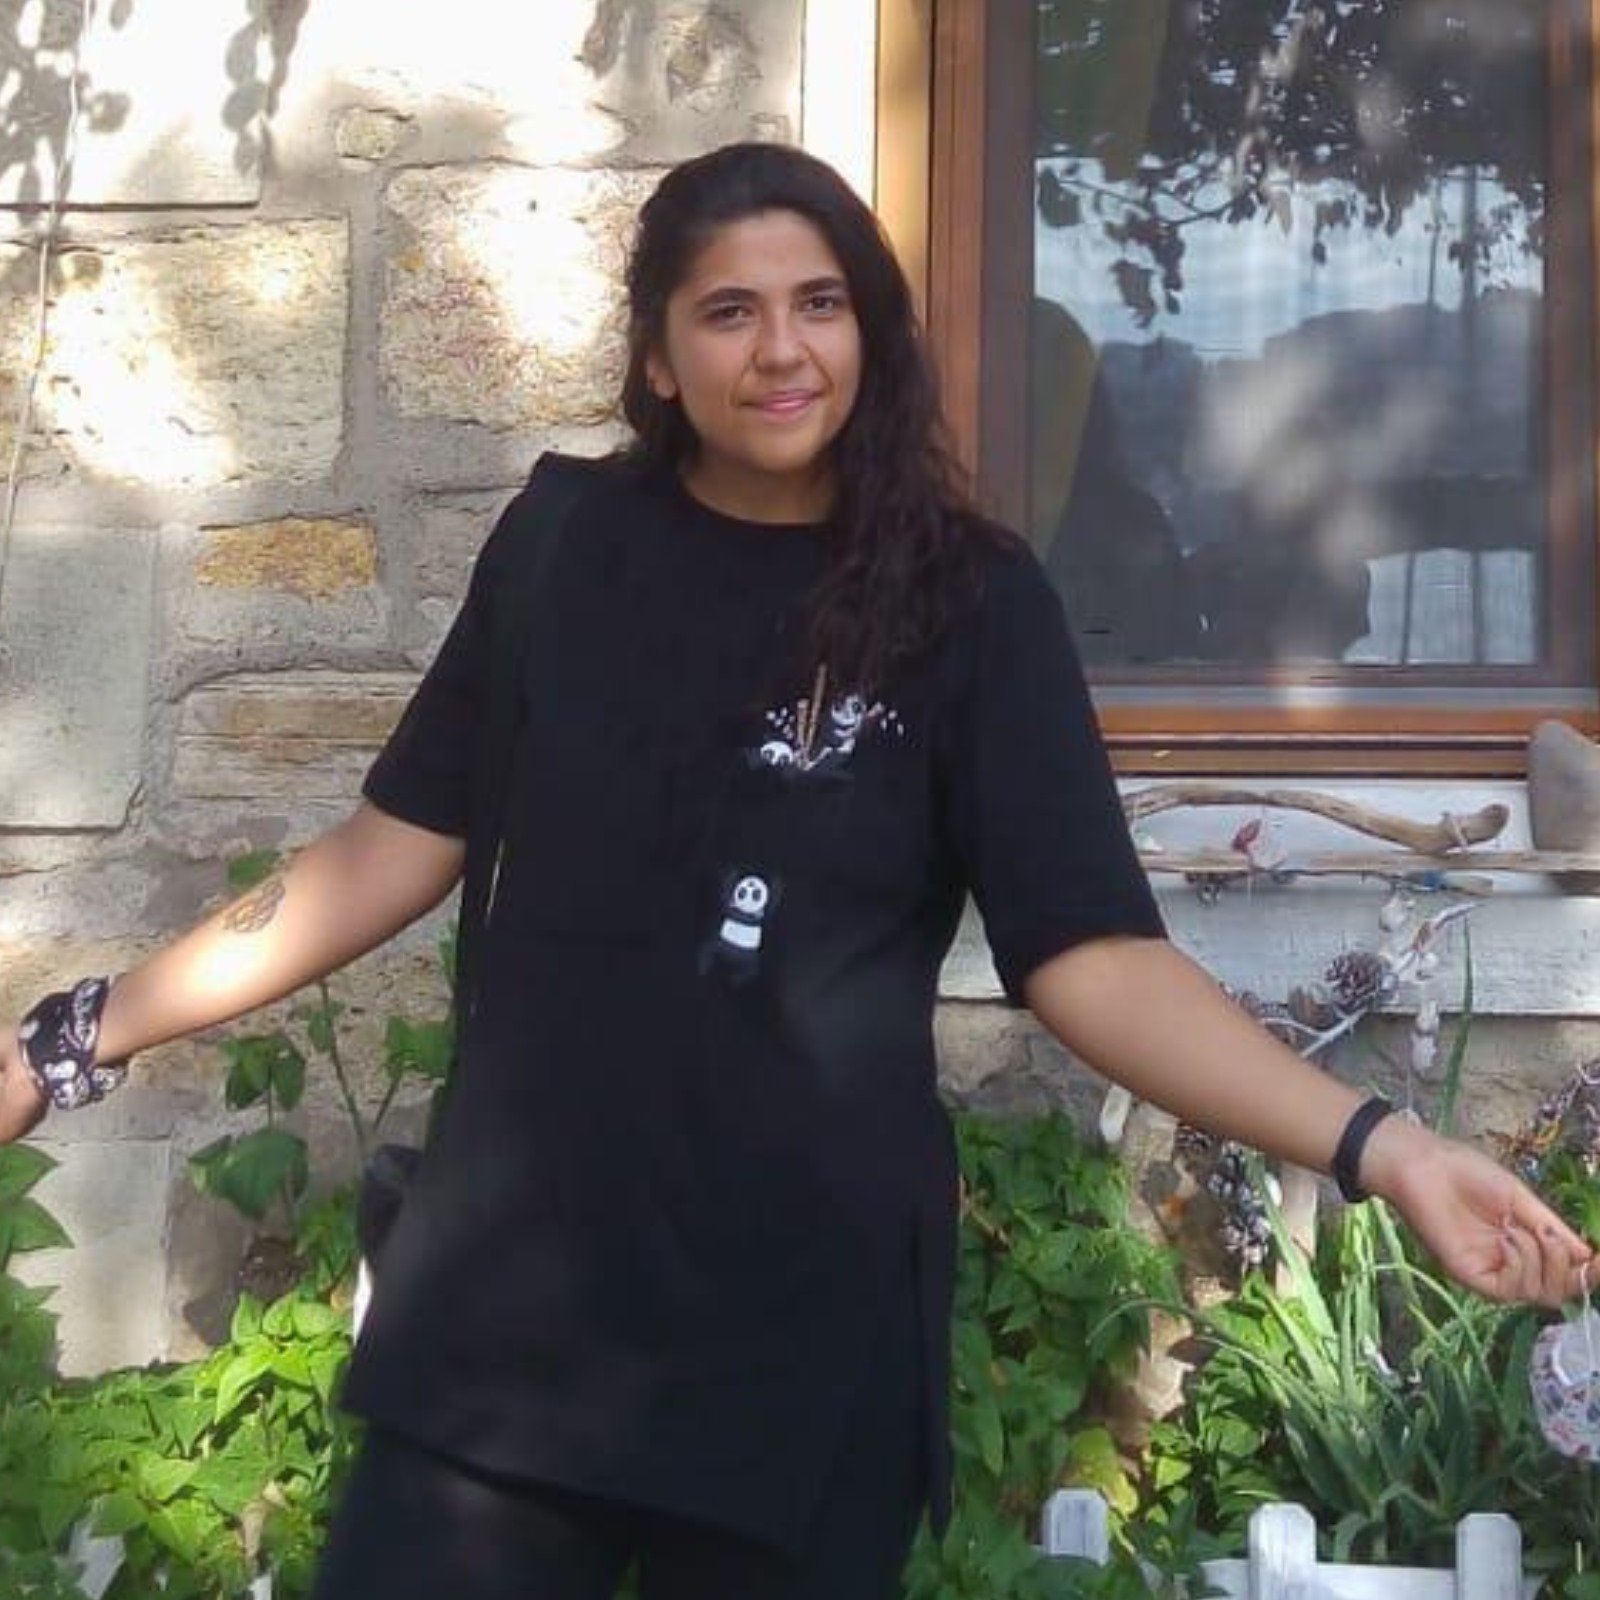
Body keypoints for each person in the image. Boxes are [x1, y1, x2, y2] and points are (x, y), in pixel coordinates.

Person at [0, 142, 1590, 1600]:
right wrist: (67, 1044)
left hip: (797, 1347)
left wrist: (1384, 1147)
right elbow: (380, 856)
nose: (782, 350)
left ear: (869, 331)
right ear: (657, 358)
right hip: (507, 1318)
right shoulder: (561, 550)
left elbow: (1093, 958)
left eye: (820, 303)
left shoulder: (971, 605)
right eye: (730, 311)